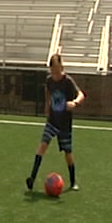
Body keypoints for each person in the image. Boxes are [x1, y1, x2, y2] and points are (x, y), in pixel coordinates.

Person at [25, 53, 85, 192]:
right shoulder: (49, 80)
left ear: (62, 68)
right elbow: (47, 91)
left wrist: (74, 103)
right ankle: (32, 178)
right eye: (53, 72)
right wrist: (47, 104)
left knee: (68, 153)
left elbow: (81, 94)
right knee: (42, 146)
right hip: (52, 120)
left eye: (57, 72)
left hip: (64, 123)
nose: (55, 75)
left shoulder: (67, 81)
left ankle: (73, 181)